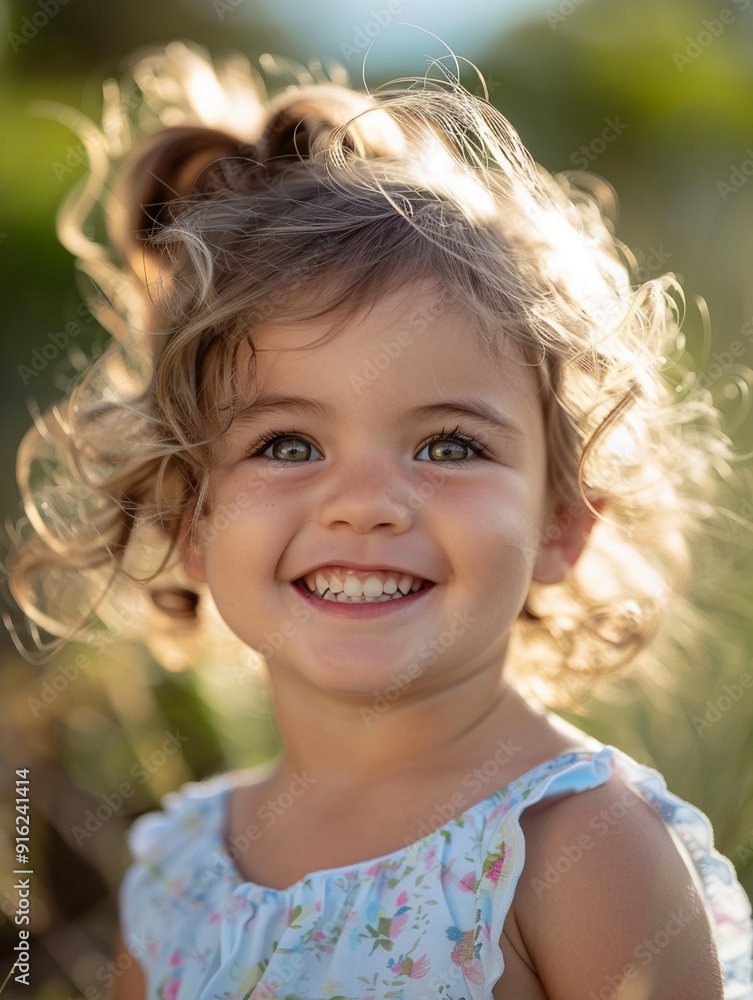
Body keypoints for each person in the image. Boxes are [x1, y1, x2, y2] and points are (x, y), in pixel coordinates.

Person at [7, 41, 753, 1000]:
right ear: (189, 519)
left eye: (447, 446)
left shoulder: (575, 848)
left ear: (562, 523)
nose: (362, 504)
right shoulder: (178, 873)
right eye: (284, 444)